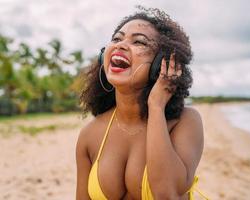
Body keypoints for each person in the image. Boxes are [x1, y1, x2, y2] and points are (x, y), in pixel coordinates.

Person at [76, 6, 207, 200]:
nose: (121, 45)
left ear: (161, 64)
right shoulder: (90, 135)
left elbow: (166, 194)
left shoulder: (186, 122)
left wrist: (156, 106)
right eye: (117, 39)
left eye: (139, 42)